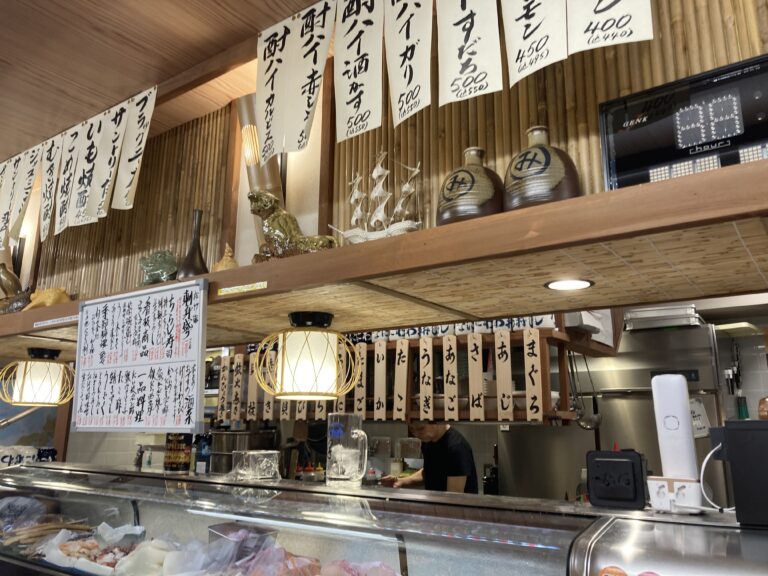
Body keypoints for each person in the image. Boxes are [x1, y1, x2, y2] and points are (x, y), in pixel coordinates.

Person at [381, 423, 478, 494]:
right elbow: (430, 471)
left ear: (436, 421)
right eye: (412, 429)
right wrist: (400, 481)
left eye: (421, 428)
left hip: (460, 513)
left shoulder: (456, 447)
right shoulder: (428, 441)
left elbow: (454, 498)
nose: (416, 434)